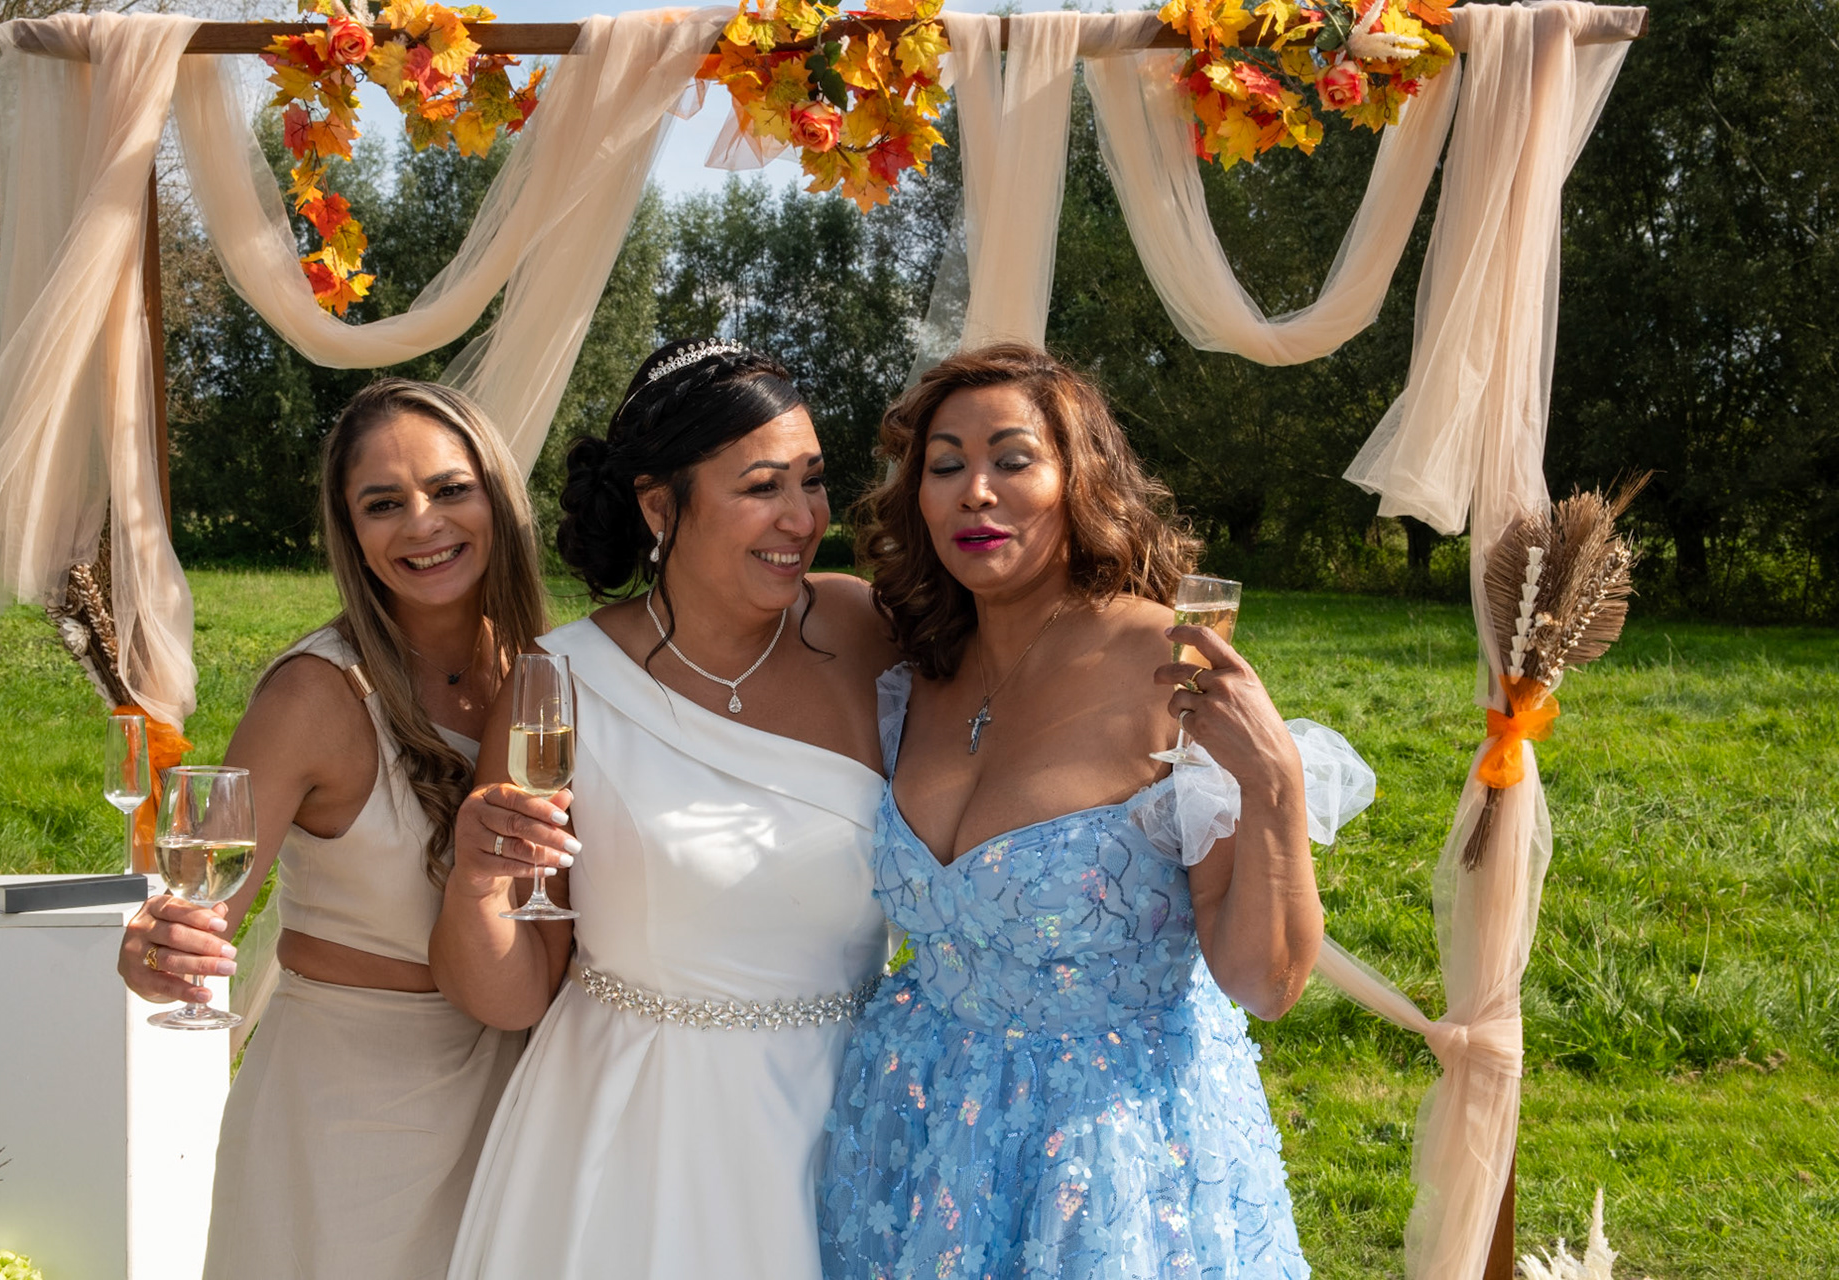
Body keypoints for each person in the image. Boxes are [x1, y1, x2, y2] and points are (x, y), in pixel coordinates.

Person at [816, 344, 1374, 1279]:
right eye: (945, 466)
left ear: (1081, 481)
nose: (975, 492)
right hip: (912, 1135)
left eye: (1012, 459)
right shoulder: (913, 668)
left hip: (1108, 1164)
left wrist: (1274, 787)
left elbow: (1266, 984)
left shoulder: (1171, 667)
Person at [434, 340, 900, 1280]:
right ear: (659, 506)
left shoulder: (866, 630)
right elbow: (513, 995)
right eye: (762, 487)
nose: (803, 518)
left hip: (851, 1112)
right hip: (638, 1135)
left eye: (812, 481)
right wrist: (478, 884)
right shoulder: (559, 685)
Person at [115, 379, 547, 1280]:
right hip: (350, 1113)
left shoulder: (540, 675)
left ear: (498, 499)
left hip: (515, 1096)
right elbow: (204, 905)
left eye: (450, 489)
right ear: (350, 531)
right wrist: (159, 946)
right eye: (383, 504)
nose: (423, 523)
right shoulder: (313, 695)